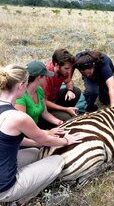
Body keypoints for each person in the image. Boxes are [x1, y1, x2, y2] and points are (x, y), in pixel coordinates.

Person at [0, 64, 83, 204]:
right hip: (4, 188)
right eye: (26, 84)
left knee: (34, 152)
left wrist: (36, 143)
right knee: (57, 161)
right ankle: (20, 200)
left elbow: (12, 140)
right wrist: (66, 140)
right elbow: (46, 140)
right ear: (20, 85)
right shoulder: (18, 117)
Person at [15, 61, 64, 130]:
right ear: (39, 77)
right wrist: (46, 133)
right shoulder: (20, 97)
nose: (47, 78)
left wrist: (60, 123)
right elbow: (22, 125)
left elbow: (45, 113)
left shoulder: (39, 90)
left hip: (36, 127)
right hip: (25, 133)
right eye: (46, 76)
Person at [41, 48, 82, 121]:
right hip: (44, 106)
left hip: (54, 98)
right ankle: (64, 112)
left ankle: (66, 111)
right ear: (57, 65)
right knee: (68, 118)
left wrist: (70, 90)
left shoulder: (63, 70)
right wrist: (65, 109)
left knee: (76, 91)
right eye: (66, 68)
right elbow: (43, 101)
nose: (69, 71)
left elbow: (69, 81)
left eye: (70, 68)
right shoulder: (47, 76)